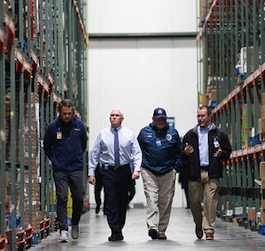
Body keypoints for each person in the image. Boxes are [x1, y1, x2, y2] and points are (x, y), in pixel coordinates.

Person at [87, 109, 142, 242]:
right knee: (110, 199)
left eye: (117, 116)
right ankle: (114, 229)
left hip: (124, 171)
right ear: (109, 118)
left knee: (122, 200)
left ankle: (119, 227)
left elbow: (137, 153)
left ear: (122, 119)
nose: (114, 118)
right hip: (108, 171)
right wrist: (91, 173)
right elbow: (94, 154)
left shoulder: (129, 134)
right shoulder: (103, 134)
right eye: (112, 116)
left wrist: (137, 170)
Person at [182, 105, 232, 240]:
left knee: (210, 202)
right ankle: (198, 224)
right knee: (193, 202)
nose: (200, 119)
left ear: (210, 116)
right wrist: (185, 153)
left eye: (203, 116)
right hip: (195, 173)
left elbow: (228, 152)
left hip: (212, 173)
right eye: (198, 116)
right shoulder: (190, 135)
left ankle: (209, 229)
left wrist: (222, 154)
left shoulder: (219, 134)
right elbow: (181, 155)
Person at [43, 99, 88, 242]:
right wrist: (55, 160)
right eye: (64, 114)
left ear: (72, 111)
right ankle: (63, 229)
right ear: (59, 112)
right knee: (62, 197)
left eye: (69, 113)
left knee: (78, 197)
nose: (67, 116)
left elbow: (83, 144)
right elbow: (47, 146)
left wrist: (76, 157)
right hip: (60, 169)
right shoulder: (52, 127)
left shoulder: (79, 126)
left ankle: (75, 222)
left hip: (76, 167)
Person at [137, 107, 182, 240]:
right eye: (158, 119)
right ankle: (153, 227)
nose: (161, 122)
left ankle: (161, 229)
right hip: (149, 170)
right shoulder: (144, 132)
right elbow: (136, 150)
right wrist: (138, 167)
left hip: (168, 171)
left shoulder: (173, 133)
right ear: (153, 119)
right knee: (152, 199)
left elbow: (179, 152)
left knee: (165, 201)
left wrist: (175, 169)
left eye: (163, 119)